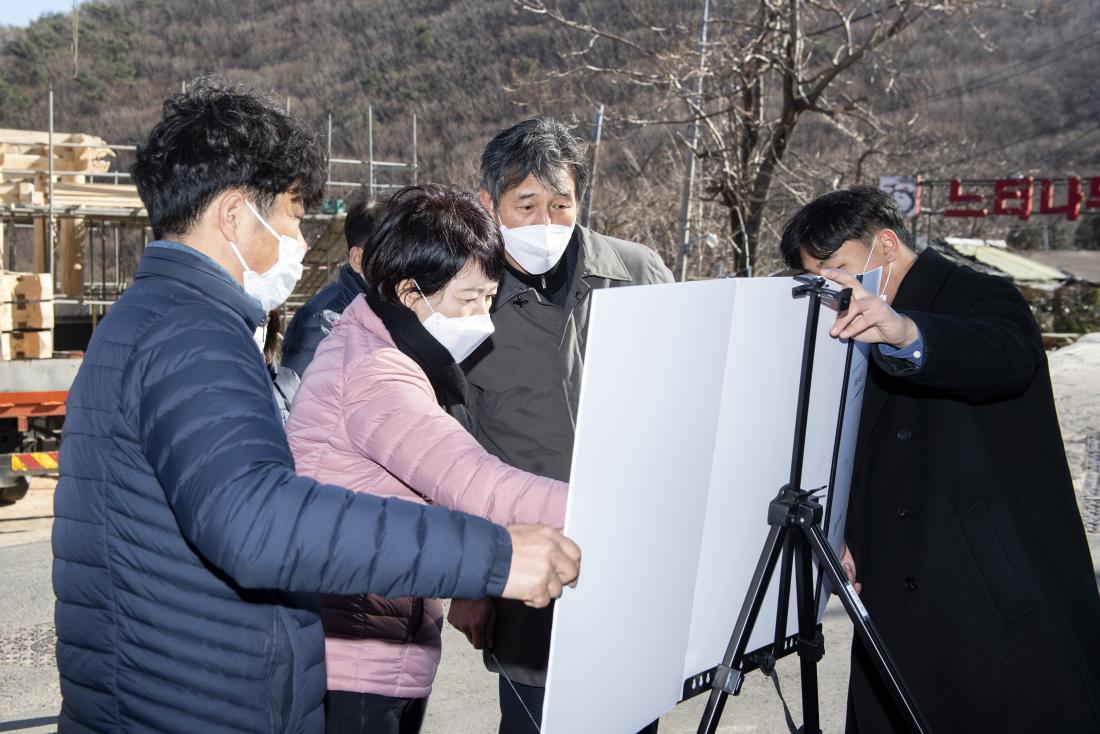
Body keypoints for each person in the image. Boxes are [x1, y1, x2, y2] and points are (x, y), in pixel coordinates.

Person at [52, 79, 580, 734]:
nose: (300, 240)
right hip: (195, 706)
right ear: (235, 215)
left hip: (159, 692)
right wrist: (493, 556)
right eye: (296, 215)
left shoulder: (145, 319)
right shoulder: (193, 334)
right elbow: (257, 521)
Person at [779, 185, 1100, 733]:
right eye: (817, 276)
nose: (830, 286)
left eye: (837, 267)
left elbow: (1005, 357)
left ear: (884, 244)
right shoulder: (840, 319)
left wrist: (908, 334)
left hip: (992, 590)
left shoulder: (979, 293)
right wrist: (841, 528)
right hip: (896, 594)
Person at [285, 183, 569, 734]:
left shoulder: (376, 343)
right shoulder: (375, 375)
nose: (482, 319)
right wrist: (605, 510)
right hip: (357, 662)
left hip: (375, 642)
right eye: (469, 301)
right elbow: (478, 485)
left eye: (490, 299)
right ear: (410, 292)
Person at [459, 116, 674, 733]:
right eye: (525, 205)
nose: (546, 224)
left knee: (631, 716)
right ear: (488, 203)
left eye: (561, 204)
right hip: (527, 572)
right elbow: (455, 450)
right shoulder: (470, 297)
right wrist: (471, 578)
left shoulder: (637, 274)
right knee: (533, 716)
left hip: (629, 562)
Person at [281, 197, 382, 378]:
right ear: (358, 258)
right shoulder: (323, 321)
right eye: (390, 250)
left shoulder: (390, 307)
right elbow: (301, 398)